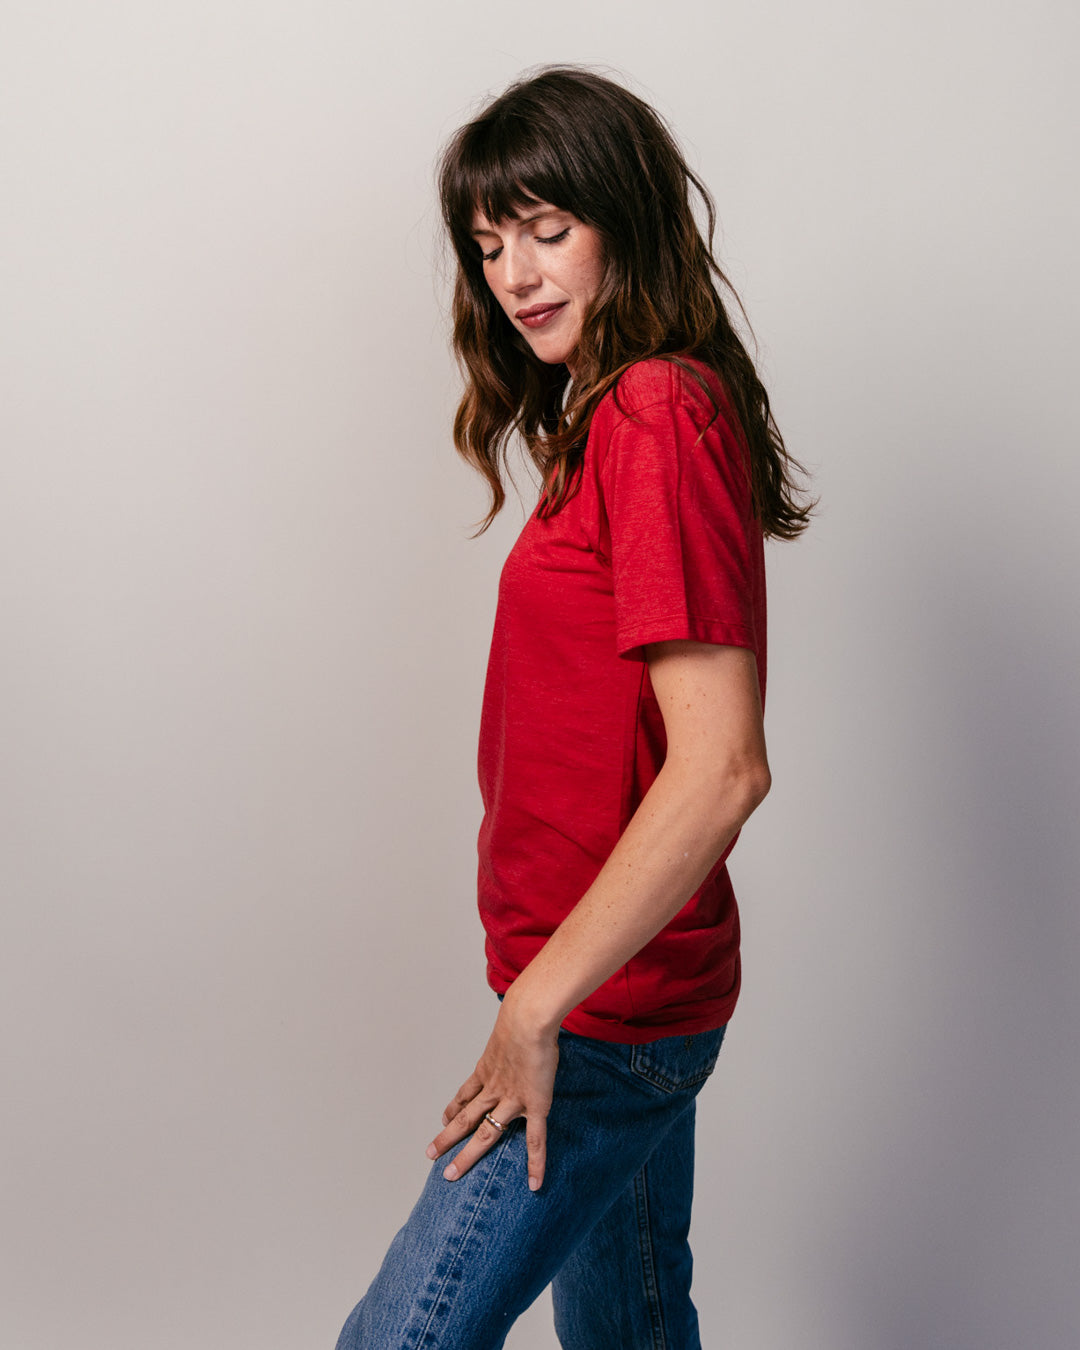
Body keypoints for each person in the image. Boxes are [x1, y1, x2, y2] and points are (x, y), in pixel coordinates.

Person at [335, 64, 813, 1350]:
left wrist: (537, 1008)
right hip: (608, 988)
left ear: (626, 222)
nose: (515, 273)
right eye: (491, 245)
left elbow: (722, 767)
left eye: (549, 230)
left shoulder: (654, 410)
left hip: (603, 1014)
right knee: (631, 1335)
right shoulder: (604, 421)